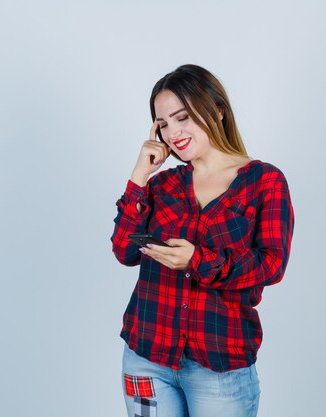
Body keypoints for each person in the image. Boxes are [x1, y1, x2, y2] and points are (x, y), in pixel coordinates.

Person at [110, 64, 295, 417]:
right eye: (163, 124)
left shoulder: (264, 181)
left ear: (218, 110)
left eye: (182, 117)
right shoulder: (162, 185)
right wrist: (139, 175)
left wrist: (196, 261)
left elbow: (271, 265)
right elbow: (124, 250)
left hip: (219, 367)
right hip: (145, 358)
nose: (173, 132)